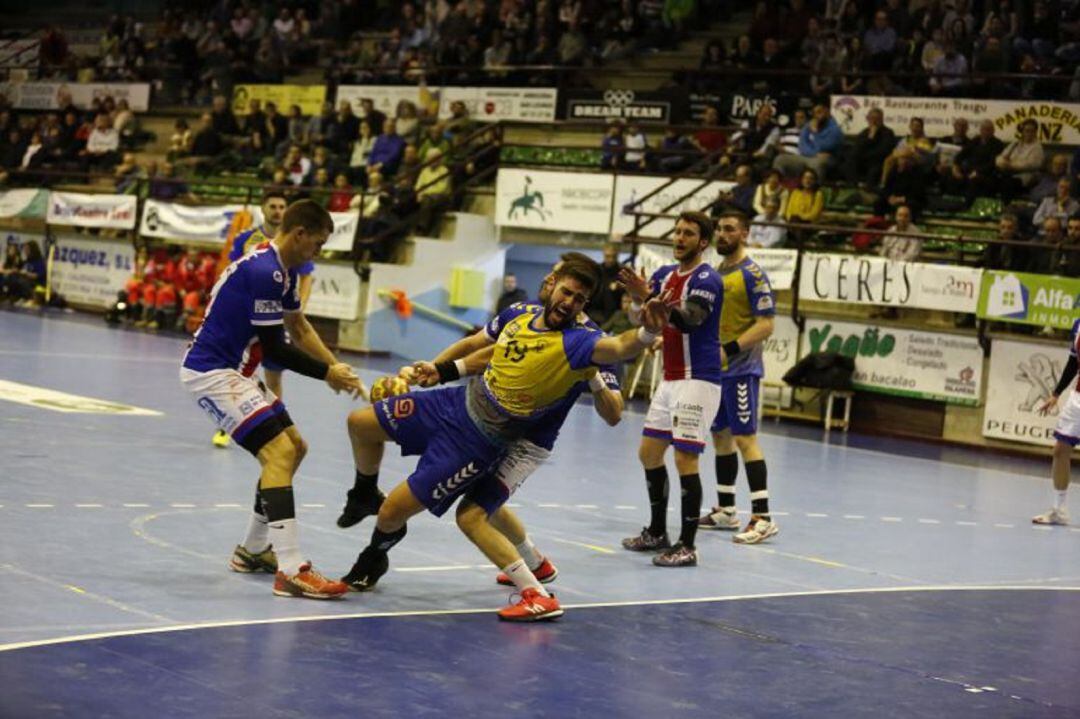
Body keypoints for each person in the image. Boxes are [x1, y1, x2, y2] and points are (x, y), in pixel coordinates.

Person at [338, 256, 668, 620]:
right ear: (553, 282)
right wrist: (438, 368)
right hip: (454, 402)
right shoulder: (521, 313)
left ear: (584, 303)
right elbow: (487, 348)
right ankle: (364, 490)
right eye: (565, 291)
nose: (568, 301)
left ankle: (375, 557)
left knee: (455, 513)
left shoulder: (581, 342)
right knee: (359, 423)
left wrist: (647, 331)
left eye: (578, 298)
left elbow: (621, 353)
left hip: (494, 439)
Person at [180, 200, 364, 599]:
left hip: (237, 371)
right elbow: (277, 351)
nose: (317, 254)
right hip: (212, 372)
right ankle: (291, 568)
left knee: (296, 448)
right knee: (279, 453)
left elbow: (298, 326)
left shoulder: (284, 271)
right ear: (298, 234)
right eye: (316, 245)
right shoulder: (264, 271)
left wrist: (337, 367)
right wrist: (325, 374)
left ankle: (253, 550)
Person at [618, 211, 725, 567]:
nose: (679, 238)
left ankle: (687, 545)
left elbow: (691, 320)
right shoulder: (664, 275)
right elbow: (642, 319)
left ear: (703, 242)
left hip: (700, 379)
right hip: (671, 377)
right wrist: (638, 299)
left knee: (684, 458)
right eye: (677, 232)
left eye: (689, 234)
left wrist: (650, 296)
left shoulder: (708, 279)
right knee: (649, 452)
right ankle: (657, 532)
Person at [696, 212, 778, 543]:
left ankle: (763, 516)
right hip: (720, 372)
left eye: (729, 229)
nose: (722, 234)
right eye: (719, 229)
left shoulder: (752, 274)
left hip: (742, 368)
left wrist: (728, 350)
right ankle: (727, 510)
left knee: (746, 439)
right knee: (721, 437)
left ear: (744, 233)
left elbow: (766, 324)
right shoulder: (718, 272)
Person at [1033, 317, 1080, 526]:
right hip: (1078, 398)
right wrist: (1056, 393)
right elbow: (1073, 361)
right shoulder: (1079, 324)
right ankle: (1059, 510)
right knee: (1061, 450)